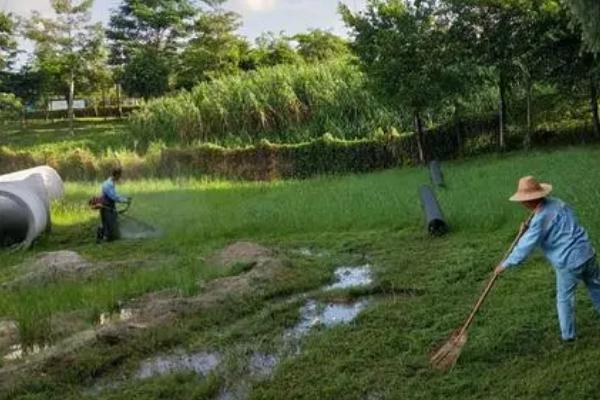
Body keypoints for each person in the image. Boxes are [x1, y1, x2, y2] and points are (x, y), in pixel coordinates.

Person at [495, 176, 600, 341]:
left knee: (564, 298)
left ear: (529, 201)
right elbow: (555, 224)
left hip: (568, 261)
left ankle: (568, 336)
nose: (522, 203)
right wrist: (528, 228)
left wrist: (506, 263)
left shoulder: (539, 219)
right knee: (596, 285)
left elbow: (525, 246)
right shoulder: (558, 203)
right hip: (587, 252)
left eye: (523, 201)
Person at [96, 167, 130, 243]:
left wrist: (124, 198)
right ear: (117, 175)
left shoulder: (110, 182)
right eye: (120, 175)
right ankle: (101, 237)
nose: (120, 177)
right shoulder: (108, 184)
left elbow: (115, 195)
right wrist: (125, 200)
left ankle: (108, 236)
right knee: (108, 223)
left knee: (112, 223)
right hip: (106, 206)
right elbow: (114, 197)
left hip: (109, 206)